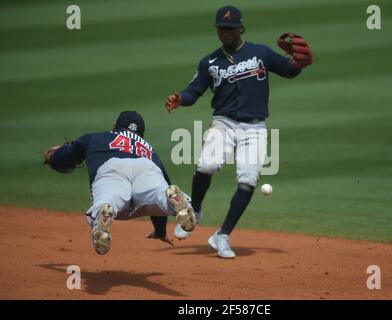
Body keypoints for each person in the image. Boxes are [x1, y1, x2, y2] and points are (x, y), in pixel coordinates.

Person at [165, 6, 313, 258]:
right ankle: (195, 211)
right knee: (207, 165)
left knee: (247, 181)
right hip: (223, 123)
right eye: (222, 29)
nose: (226, 33)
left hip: (255, 127)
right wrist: (180, 98)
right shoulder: (209, 62)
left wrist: (298, 65)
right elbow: (194, 90)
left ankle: (222, 235)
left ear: (241, 28)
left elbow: (288, 70)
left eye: (231, 28)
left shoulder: (261, 53)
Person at [43, 111, 196, 255]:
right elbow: (164, 186)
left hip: (112, 168)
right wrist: (160, 230)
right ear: (141, 135)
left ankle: (103, 210)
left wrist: (53, 156)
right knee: (158, 194)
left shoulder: (96, 137)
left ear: (115, 127)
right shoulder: (150, 150)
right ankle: (178, 200)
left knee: (109, 198)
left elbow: (67, 155)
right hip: (146, 166)